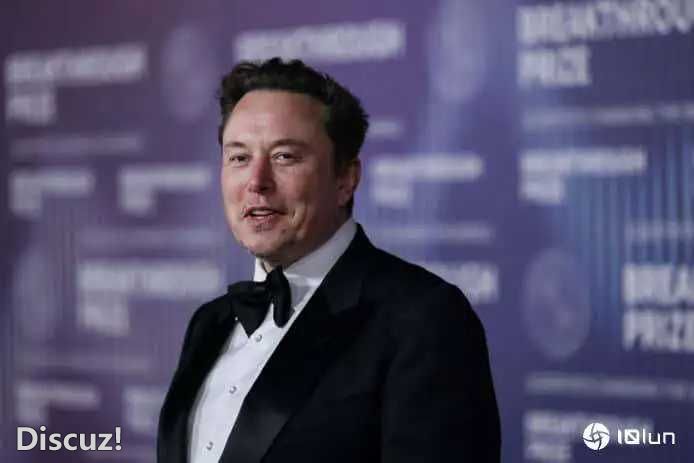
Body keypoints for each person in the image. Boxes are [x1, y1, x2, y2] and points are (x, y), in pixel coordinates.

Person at [157, 57, 501, 463]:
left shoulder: (423, 319)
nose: (256, 182)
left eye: (285, 156)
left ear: (345, 179)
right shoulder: (208, 323)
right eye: (239, 158)